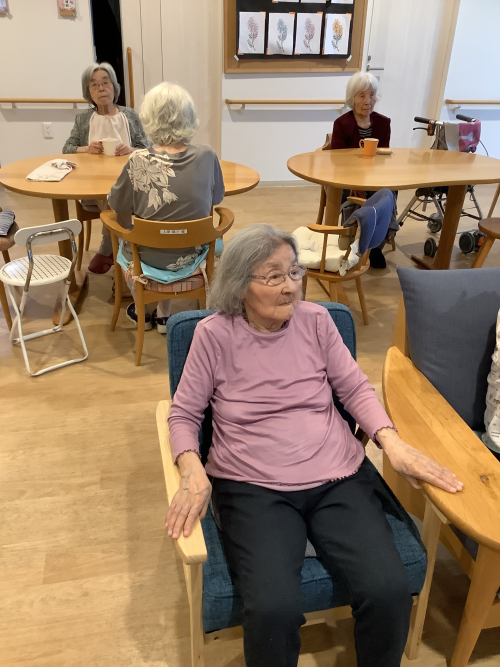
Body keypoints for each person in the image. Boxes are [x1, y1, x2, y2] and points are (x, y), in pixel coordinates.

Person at [165, 224, 463, 667]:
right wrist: (191, 467)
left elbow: (355, 389)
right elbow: (184, 414)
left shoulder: (318, 321)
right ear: (240, 285)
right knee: (273, 610)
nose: (290, 286)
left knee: (387, 590)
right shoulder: (213, 335)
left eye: (294, 272)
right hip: (252, 486)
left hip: (337, 475)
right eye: (274, 276)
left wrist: (392, 443)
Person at [107, 82, 224, 333]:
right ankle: (164, 313)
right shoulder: (207, 156)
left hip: (146, 259)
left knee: (129, 235)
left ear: (149, 118)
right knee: (176, 231)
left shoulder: (138, 159)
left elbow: (116, 204)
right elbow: (217, 198)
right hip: (195, 256)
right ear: (189, 117)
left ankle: (143, 309)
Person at [62, 62, 148, 274]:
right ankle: (126, 247)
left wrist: (131, 149)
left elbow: (146, 148)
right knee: (111, 194)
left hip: (130, 181)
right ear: (88, 92)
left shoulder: (130, 115)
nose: (101, 89)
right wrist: (86, 148)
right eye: (94, 85)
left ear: (114, 86)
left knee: (116, 193)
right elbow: (67, 148)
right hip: (94, 187)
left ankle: (109, 246)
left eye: (105, 83)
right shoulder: (83, 119)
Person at [329, 71, 393, 268]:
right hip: (346, 177)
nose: (368, 101)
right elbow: (337, 161)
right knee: (347, 193)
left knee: (388, 194)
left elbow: (382, 157)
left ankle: (376, 246)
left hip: (374, 176)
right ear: (352, 98)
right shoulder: (341, 124)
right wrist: (354, 183)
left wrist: (371, 181)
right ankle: (349, 238)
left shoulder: (384, 123)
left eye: (371, 95)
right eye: (362, 95)